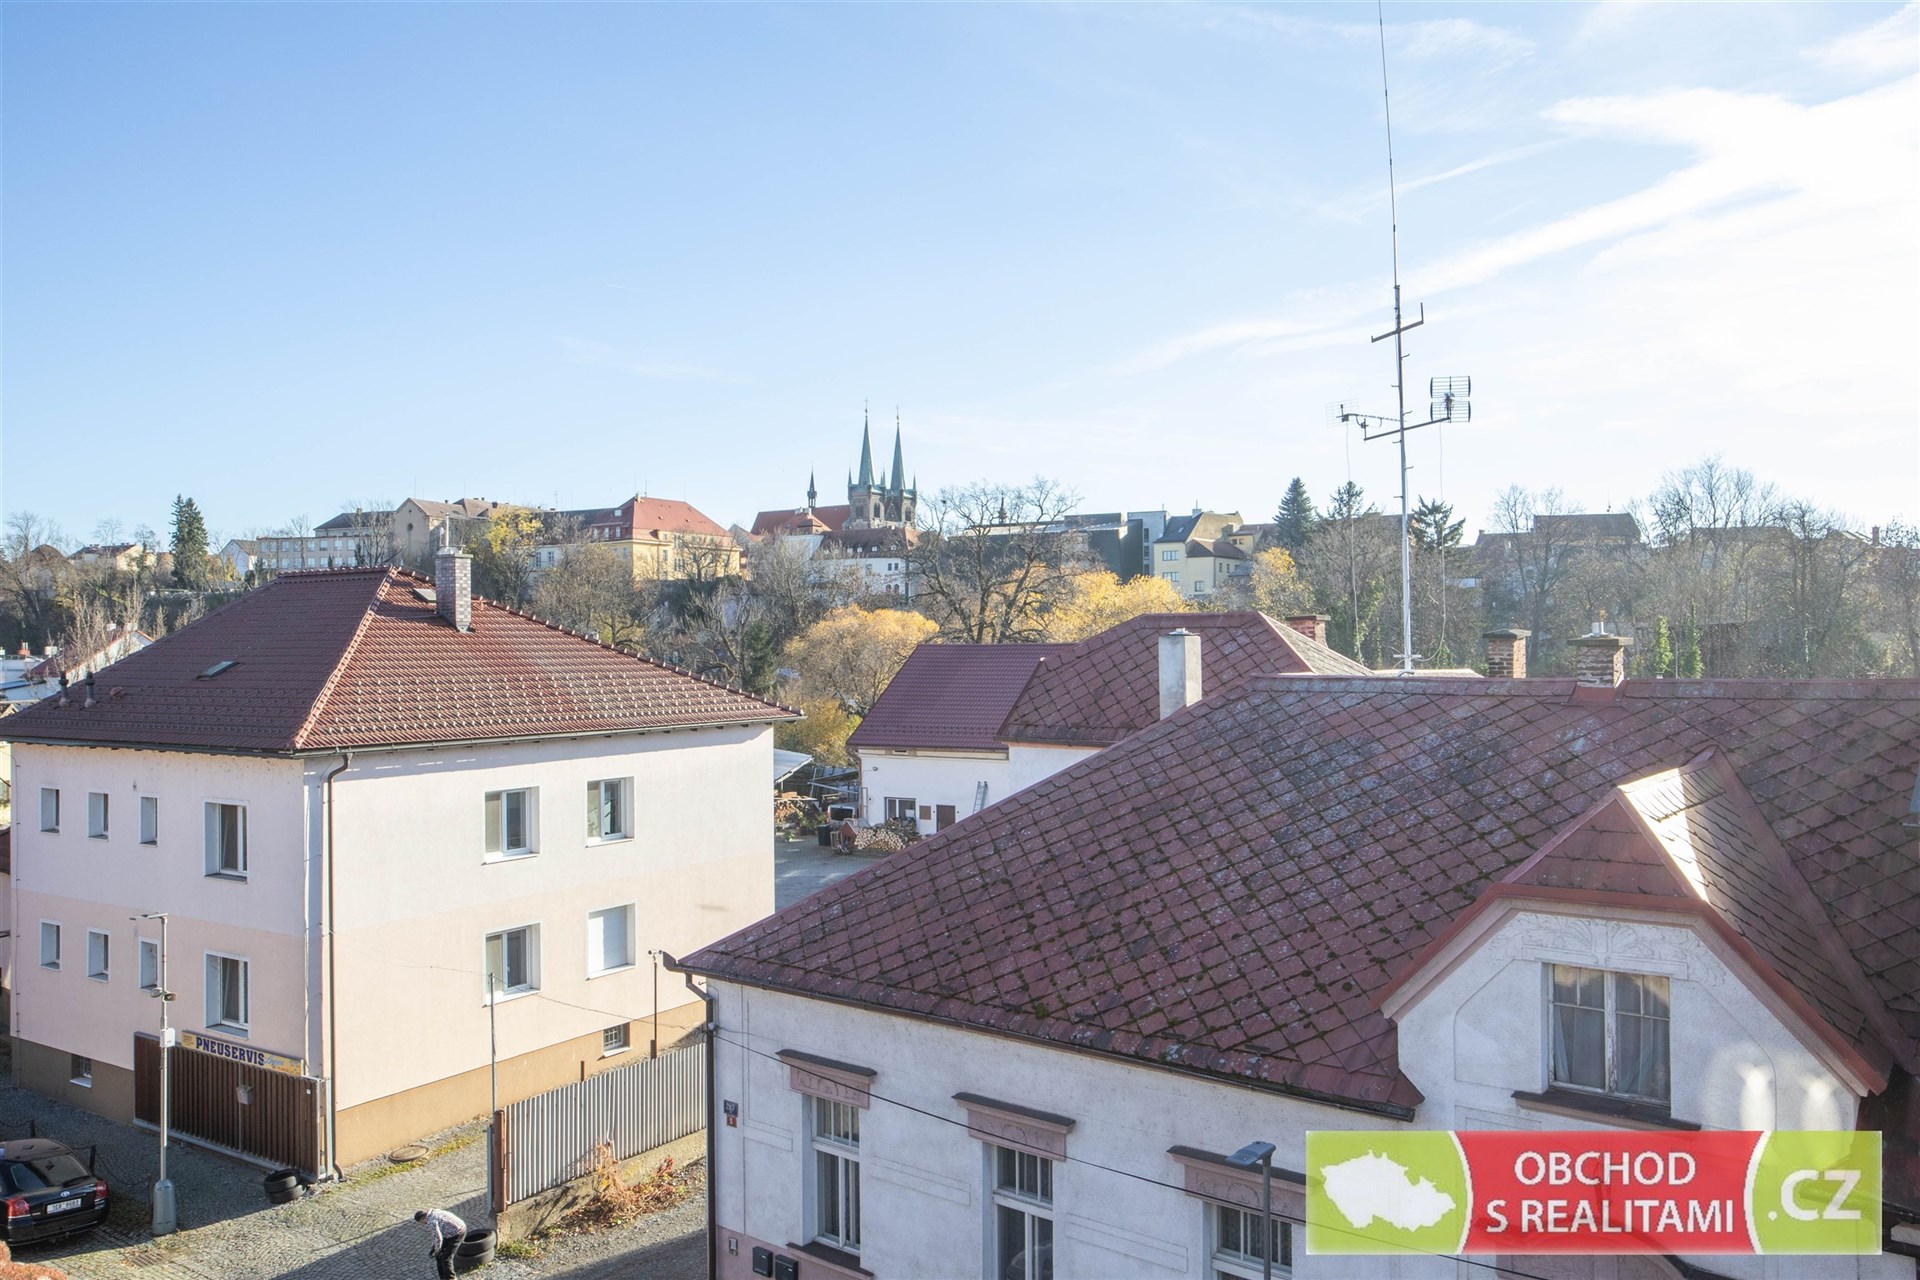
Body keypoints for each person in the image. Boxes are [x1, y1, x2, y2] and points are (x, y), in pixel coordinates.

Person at [414, 1207, 466, 1278]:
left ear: (423, 1218)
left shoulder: (431, 1221)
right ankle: (443, 1277)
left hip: (457, 1232)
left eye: (421, 1222)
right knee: (438, 1256)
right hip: (450, 1231)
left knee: (446, 1258)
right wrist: (434, 1246)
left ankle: (451, 1278)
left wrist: (436, 1250)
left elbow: (438, 1238)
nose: (423, 1224)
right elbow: (436, 1236)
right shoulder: (432, 1212)